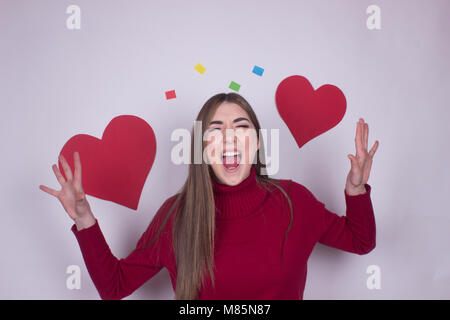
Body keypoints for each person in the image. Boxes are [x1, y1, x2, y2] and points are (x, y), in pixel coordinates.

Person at [39, 92, 379, 300]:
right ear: (202, 148)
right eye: (215, 131)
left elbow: (361, 241)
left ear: (258, 143)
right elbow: (114, 286)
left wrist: (356, 190)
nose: (230, 139)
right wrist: (84, 219)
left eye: (241, 127)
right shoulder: (176, 216)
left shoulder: (294, 202)